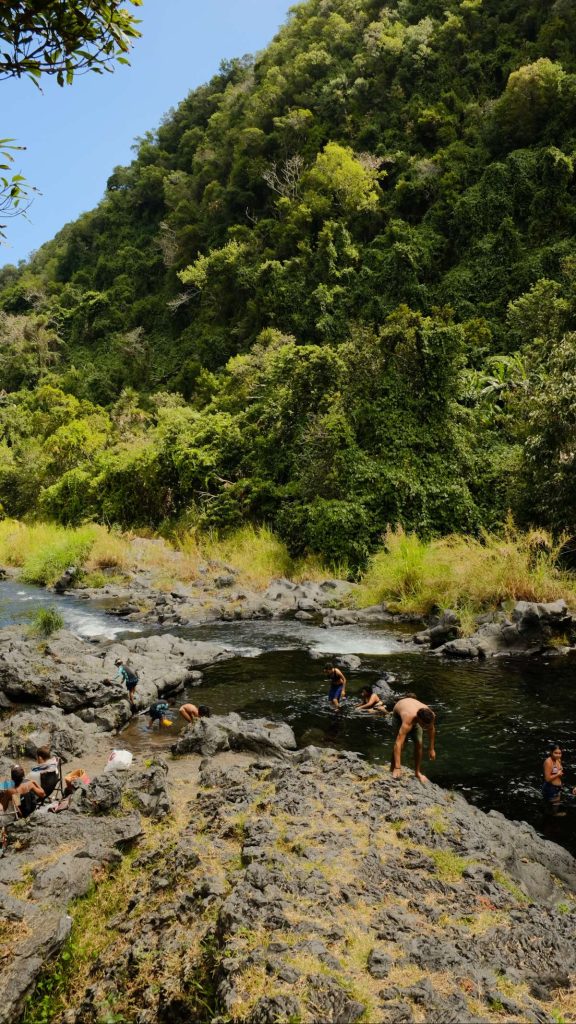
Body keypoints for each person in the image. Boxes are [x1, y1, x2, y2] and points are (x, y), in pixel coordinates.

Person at [391, 696, 436, 783]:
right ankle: (393, 768)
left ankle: (417, 772)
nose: (425, 727)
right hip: (399, 712)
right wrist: (398, 767)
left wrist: (431, 749)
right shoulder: (408, 718)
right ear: (418, 719)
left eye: (427, 725)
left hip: (413, 708)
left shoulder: (431, 716)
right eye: (423, 725)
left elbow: (431, 729)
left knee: (419, 743)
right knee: (402, 744)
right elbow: (398, 743)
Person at [542, 745, 567, 816]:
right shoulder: (548, 762)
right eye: (555, 753)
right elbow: (547, 779)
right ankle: (553, 816)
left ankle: (550, 815)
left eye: (560, 753)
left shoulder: (558, 760)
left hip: (557, 787)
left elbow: (558, 769)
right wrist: (558, 774)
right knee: (554, 804)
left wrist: (560, 772)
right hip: (551, 788)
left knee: (555, 803)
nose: (558, 755)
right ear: (551, 752)